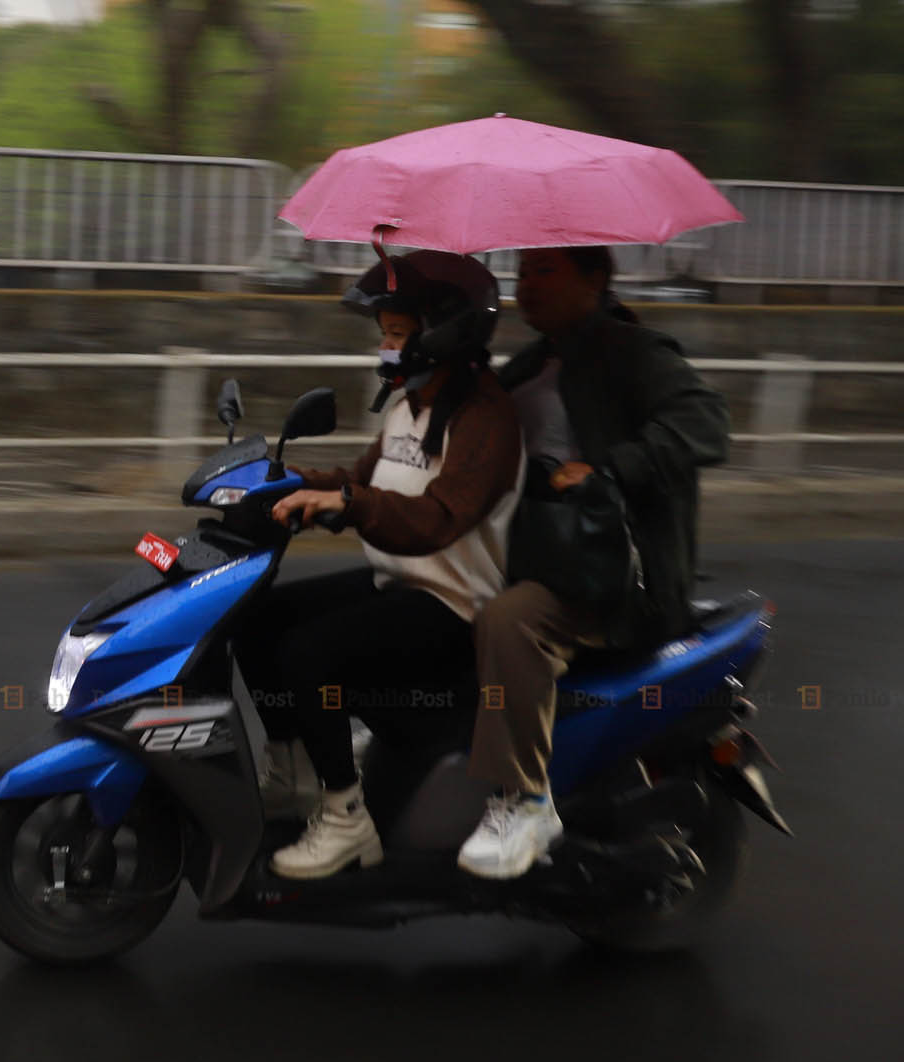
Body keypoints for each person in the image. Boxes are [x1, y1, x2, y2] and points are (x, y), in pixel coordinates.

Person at [244, 249, 524, 880]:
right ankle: (294, 776)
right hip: (395, 581)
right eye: (385, 334)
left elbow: (436, 517)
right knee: (258, 615)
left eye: (399, 332)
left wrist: (346, 503)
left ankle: (346, 820)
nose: (388, 346)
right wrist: (282, 481)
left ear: (443, 333)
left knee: (309, 654)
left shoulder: (485, 418)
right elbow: (363, 482)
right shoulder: (408, 402)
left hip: (454, 605)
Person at [456, 245, 731, 881]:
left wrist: (612, 470)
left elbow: (708, 422)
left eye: (544, 271)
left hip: (612, 577)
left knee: (509, 620)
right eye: (521, 273)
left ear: (596, 278)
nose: (526, 285)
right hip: (541, 555)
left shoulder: (631, 351)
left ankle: (524, 799)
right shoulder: (531, 361)